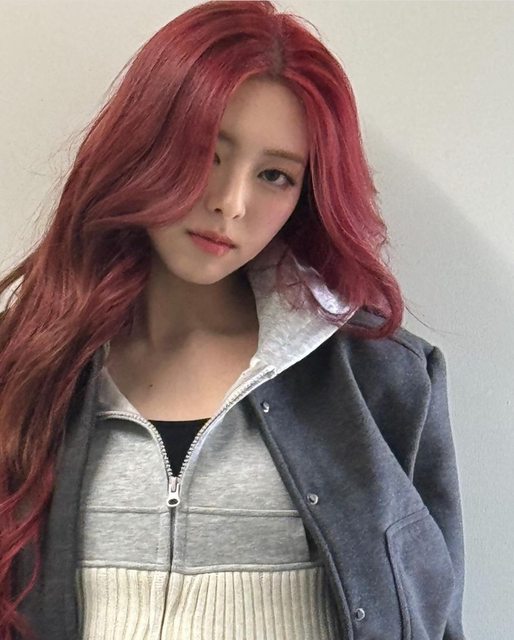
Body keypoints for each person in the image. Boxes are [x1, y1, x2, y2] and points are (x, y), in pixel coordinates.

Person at [0, 1, 466, 639]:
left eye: (275, 175)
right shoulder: (28, 364)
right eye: (206, 154)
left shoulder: (383, 377)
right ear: (143, 147)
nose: (231, 203)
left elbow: (438, 619)